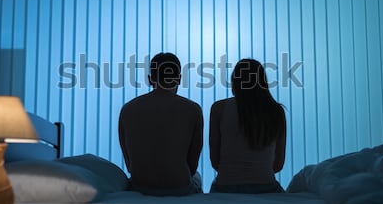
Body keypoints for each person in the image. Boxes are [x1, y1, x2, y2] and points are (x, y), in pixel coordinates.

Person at [119, 52, 203, 196]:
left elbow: (130, 165)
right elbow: (192, 166)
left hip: (141, 186)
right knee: (197, 177)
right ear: (179, 79)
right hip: (179, 188)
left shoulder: (128, 109)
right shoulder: (192, 109)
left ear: (150, 79)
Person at [209, 58, 286, 194]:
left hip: (225, 187)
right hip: (266, 186)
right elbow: (278, 164)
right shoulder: (277, 111)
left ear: (235, 81)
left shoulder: (219, 109)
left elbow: (215, 162)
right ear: (263, 81)